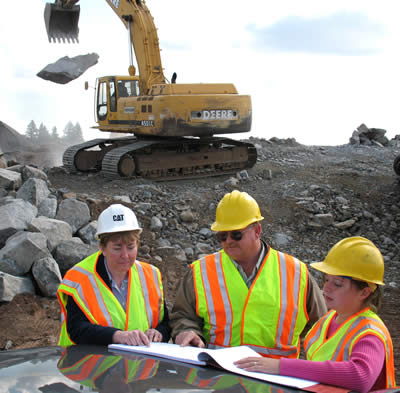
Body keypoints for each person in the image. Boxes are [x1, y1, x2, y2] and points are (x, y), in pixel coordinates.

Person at [170, 190, 327, 358]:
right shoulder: (200, 272)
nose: (229, 241)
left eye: (236, 234)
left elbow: (322, 328)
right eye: (222, 236)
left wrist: (310, 369)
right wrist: (187, 331)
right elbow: (183, 316)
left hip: (274, 379)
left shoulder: (296, 273)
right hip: (218, 376)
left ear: (257, 231)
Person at [234, 236, 396, 393]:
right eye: (326, 280)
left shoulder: (370, 333)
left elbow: (360, 376)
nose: (326, 288)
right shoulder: (328, 320)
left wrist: (281, 366)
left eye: (337, 284)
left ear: (364, 292)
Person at [57, 204, 170, 347]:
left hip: (139, 364)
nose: (125, 255)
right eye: (117, 248)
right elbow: (76, 329)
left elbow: (165, 323)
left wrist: (159, 333)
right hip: (92, 365)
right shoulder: (79, 278)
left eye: (131, 247)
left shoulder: (150, 275)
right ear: (102, 248)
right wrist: (117, 336)